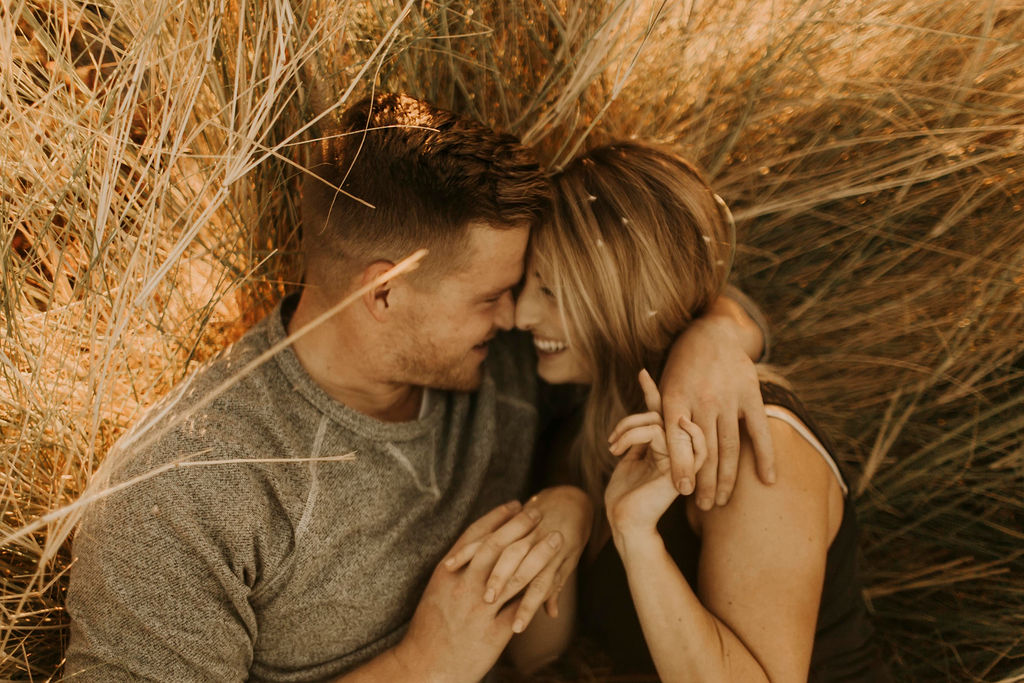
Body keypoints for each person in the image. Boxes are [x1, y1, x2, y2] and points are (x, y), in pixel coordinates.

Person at [64, 95, 772, 682]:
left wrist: (715, 336)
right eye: (492, 296)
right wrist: (421, 664)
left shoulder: (509, 360)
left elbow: (640, 308)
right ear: (384, 292)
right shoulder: (182, 492)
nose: (518, 315)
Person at [510, 141, 889, 681]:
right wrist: (564, 510)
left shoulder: (756, 441)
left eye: (550, 292)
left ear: (627, 296)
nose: (521, 314)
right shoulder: (584, 424)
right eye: (526, 283)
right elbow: (536, 659)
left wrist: (637, 539)